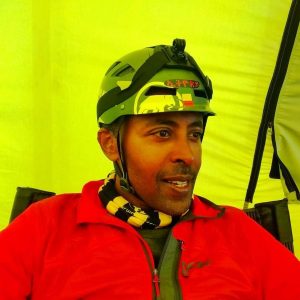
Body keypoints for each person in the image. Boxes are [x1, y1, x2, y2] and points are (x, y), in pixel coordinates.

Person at [0, 39, 300, 300]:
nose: (187, 155)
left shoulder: (240, 235)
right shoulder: (45, 228)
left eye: (194, 134)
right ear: (111, 145)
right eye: (163, 133)